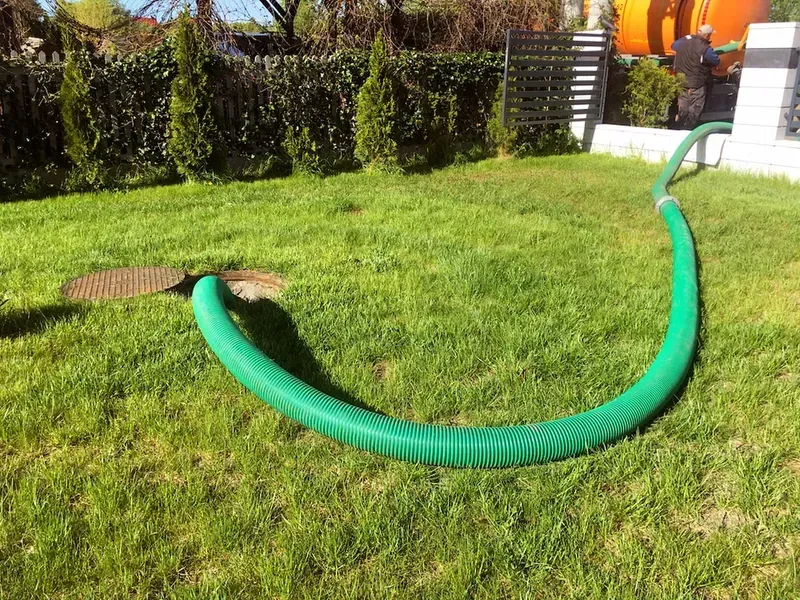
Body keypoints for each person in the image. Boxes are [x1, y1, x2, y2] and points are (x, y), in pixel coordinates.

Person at [671, 24, 720, 129]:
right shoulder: (705, 49)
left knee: (682, 111)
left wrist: (689, 36)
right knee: (694, 113)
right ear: (707, 35)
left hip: (682, 83)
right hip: (697, 85)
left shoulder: (682, 44)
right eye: (710, 36)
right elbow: (716, 61)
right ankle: (689, 133)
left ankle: (678, 131)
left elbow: (673, 45)